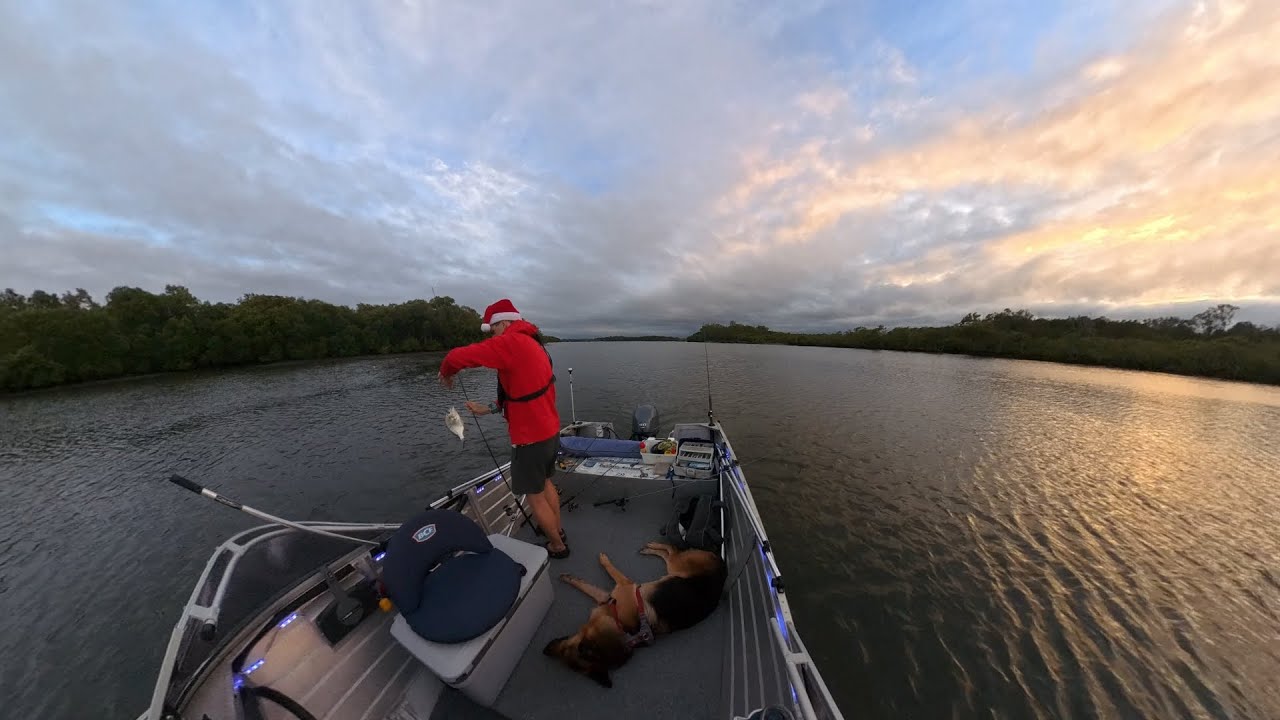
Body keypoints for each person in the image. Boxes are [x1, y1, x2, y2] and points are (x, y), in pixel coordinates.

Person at [437, 298, 569, 558]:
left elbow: (456, 356)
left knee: (534, 496)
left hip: (529, 438)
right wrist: (489, 408)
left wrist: (446, 372)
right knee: (545, 483)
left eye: (494, 328)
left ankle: (557, 546)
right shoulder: (533, 343)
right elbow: (525, 389)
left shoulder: (511, 341)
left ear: (505, 322)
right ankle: (558, 530)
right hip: (550, 430)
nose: (493, 335)